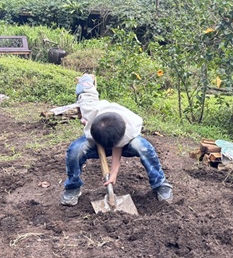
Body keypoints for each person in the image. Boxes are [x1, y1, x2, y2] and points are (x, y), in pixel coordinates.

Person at [61, 73, 173, 206]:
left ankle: (160, 183)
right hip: (99, 134)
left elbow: (117, 148)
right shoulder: (89, 109)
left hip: (125, 142)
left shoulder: (131, 125)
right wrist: (87, 78)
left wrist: (113, 173)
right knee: (75, 150)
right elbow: (85, 91)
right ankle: (73, 186)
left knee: (143, 147)